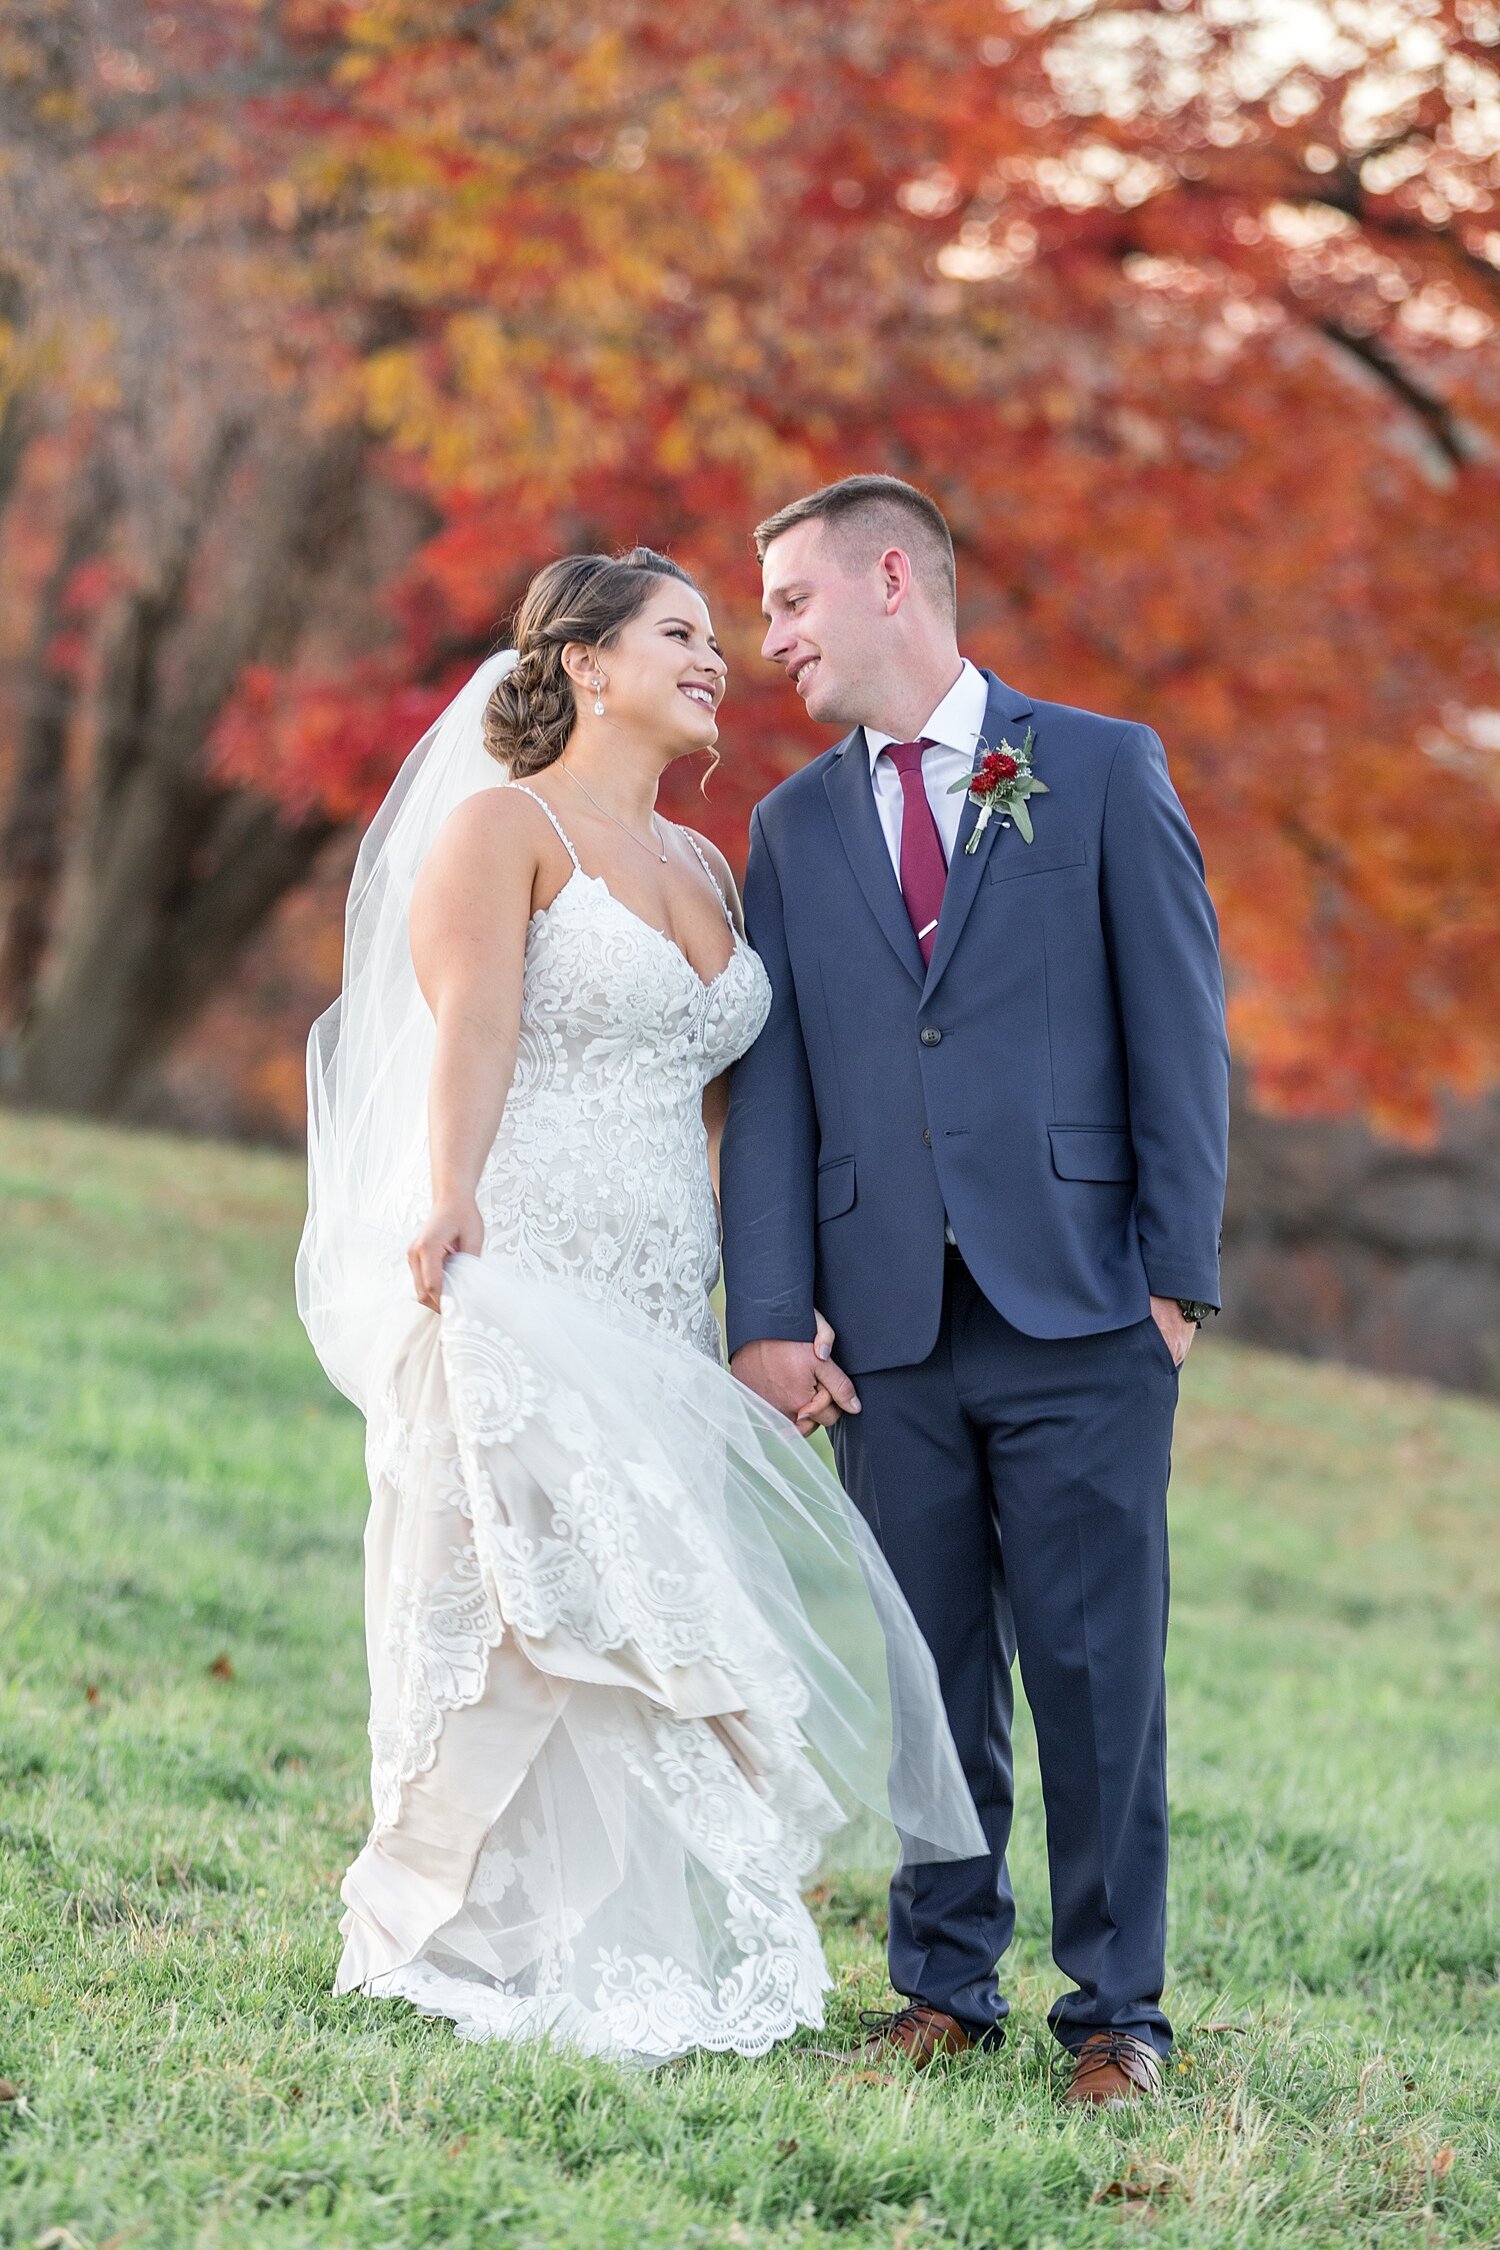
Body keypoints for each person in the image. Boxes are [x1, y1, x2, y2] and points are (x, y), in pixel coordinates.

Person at [296, 546, 982, 2065]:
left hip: (663, 1289)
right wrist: (450, 1188)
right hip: (526, 1263)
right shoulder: (501, 826)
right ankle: (439, 1924)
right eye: (681, 632)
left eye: (720, 638)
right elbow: (470, 1023)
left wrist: (779, 1303)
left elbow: (736, 1116)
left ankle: (624, 1942)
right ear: (585, 662)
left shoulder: (711, 870)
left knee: (644, 1598)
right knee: (534, 1603)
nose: (717, 659)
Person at [721, 475, 1230, 2104]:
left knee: (1096, 1673)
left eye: (791, 601)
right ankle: (942, 1982)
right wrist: (769, 1311)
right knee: (925, 1672)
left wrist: (1174, 1284)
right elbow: (780, 1085)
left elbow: (1181, 1030)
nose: (772, 636)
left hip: (1086, 1309)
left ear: (891, 578)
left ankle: (1117, 2014)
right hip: (888, 1330)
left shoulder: (1092, 764)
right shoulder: (793, 827)